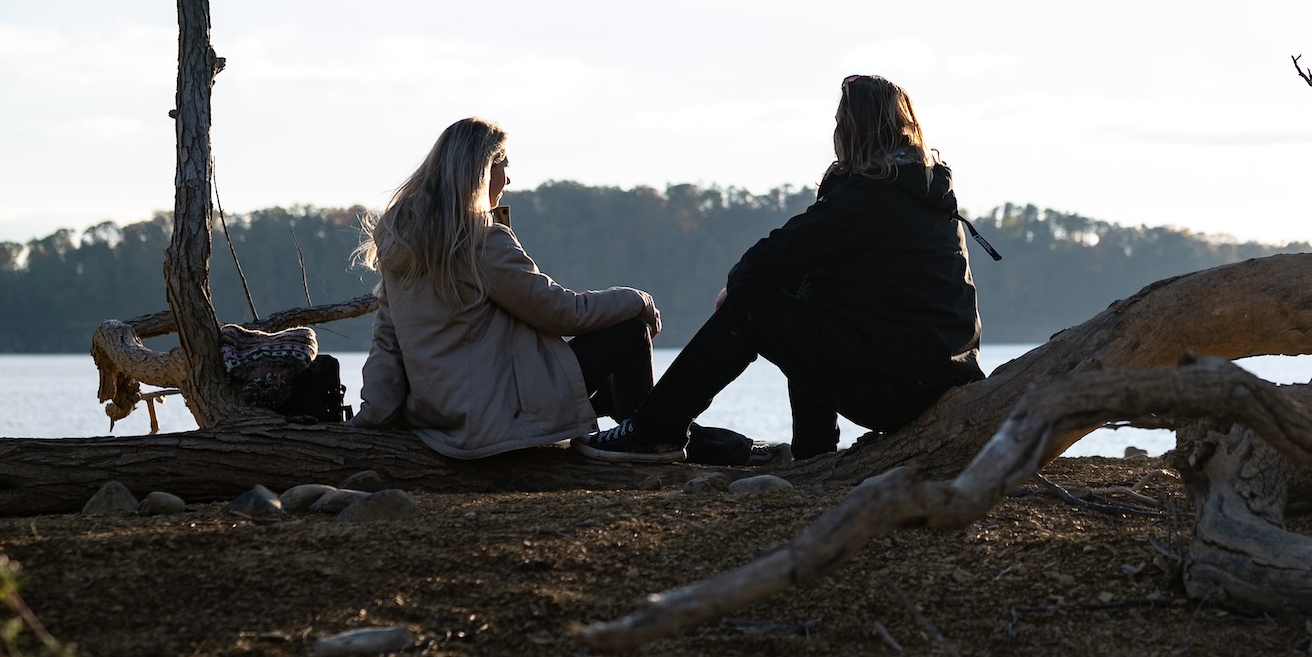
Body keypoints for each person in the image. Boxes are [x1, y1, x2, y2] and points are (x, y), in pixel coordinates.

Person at [580, 74, 984, 463]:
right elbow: (800, 266)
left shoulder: (871, 197)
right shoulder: (923, 193)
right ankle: (814, 449)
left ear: (853, 130)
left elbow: (776, 254)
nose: (835, 134)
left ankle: (654, 432)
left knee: (750, 306)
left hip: (899, 388)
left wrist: (738, 286)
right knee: (802, 297)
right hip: (937, 377)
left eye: (840, 123)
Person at [354, 117, 661, 459]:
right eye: (503, 165)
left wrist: (372, 418)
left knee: (594, 378)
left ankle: (636, 427)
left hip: (441, 421)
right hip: (499, 419)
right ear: (480, 171)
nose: (509, 178)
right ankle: (644, 443)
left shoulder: (401, 244)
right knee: (630, 331)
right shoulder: (482, 242)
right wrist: (638, 298)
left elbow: (387, 342)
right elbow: (562, 313)